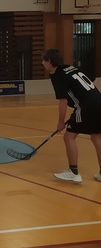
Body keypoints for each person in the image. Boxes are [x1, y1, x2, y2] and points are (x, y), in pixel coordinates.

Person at [42, 48, 101, 183]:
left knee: (69, 137)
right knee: (97, 138)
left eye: (43, 61)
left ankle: (73, 172)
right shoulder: (70, 67)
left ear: (49, 61)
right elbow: (93, 80)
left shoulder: (57, 75)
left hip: (86, 107)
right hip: (99, 102)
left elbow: (63, 101)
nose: (42, 63)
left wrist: (60, 122)